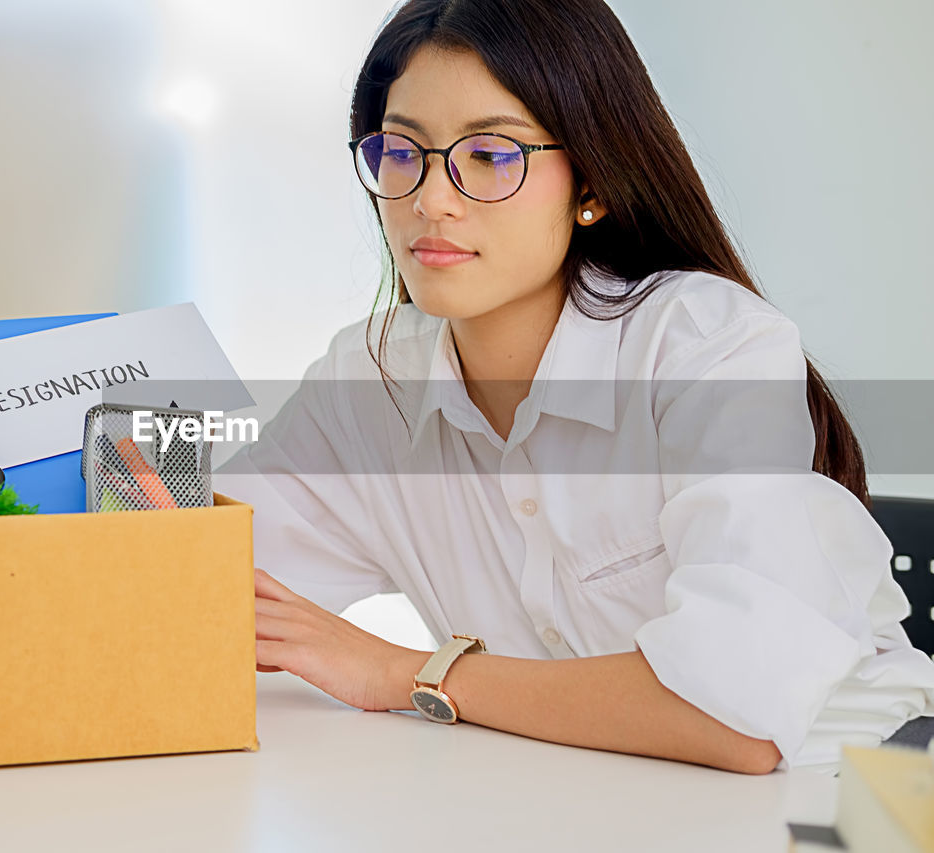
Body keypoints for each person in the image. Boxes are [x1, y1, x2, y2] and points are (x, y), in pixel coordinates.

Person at [212, 0, 934, 774]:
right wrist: (113, 483)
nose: (429, 199)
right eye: (401, 150)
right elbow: (203, 592)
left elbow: (740, 720)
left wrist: (406, 673)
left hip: (853, 793)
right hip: (576, 795)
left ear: (589, 180)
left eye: (490, 154)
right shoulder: (373, 380)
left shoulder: (705, 346)